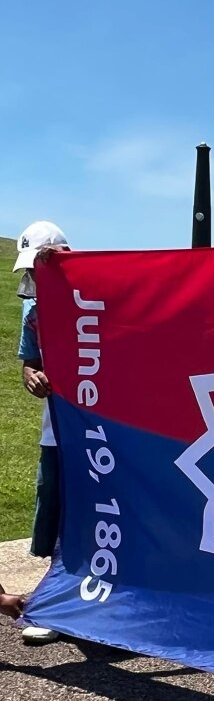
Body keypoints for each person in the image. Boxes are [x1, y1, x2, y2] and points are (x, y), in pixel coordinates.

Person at [14, 220, 71, 644]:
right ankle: (57, 602)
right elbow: (28, 364)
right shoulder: (32, 312)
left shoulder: (95, 298)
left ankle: (95, 602)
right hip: (55, 432)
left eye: (38, 268)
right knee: (52, 510)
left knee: (96, 514)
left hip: (104, 434)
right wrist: (32, 377)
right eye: (29, 271)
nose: (32, 279)